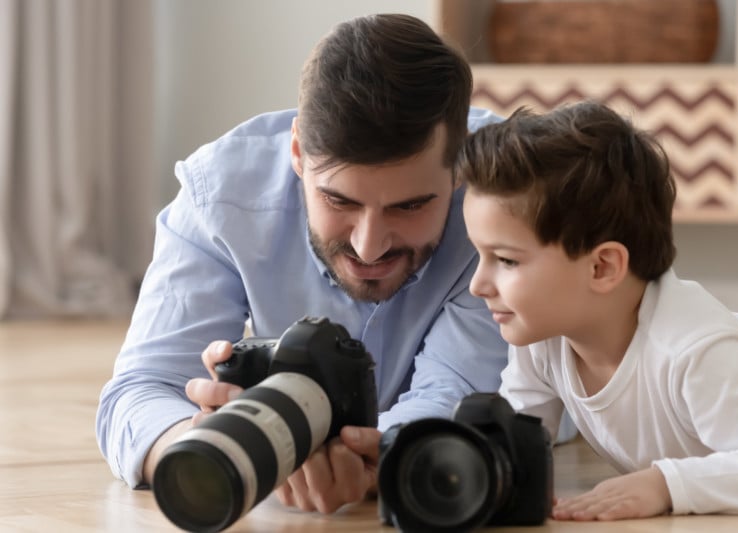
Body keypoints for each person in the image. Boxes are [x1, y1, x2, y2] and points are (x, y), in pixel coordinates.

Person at [95, 13, 512, 514]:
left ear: (458, 167)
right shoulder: (222, 197)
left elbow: (457, 391)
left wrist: (381, 460)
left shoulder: (506, 193)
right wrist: (210, 442)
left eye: (410, 205)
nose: (370, 246)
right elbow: (140, 391)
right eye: (340, 202)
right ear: (297, 152)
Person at [455, 101, 738, 520]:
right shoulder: (543, 336)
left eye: (506, 260)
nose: (477, 284)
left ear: (602, 267)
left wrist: (666, 484)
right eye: (479, 255)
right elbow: (516, 441)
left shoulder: (696, 351)